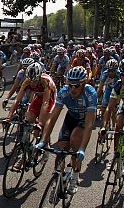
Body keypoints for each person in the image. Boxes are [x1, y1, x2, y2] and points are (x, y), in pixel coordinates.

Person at [35, 66, 97, 194]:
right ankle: (59, 180)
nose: (73, 89)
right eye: (70, 85)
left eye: (76, 86)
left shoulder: (90, 94)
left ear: (84, 84)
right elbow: (52, 119)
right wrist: (43, 140)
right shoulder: (64, 92)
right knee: (60, 151)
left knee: (75, 142)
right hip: (71, 118)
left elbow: (90, 124)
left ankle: (75, 176)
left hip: (83, 121)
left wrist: (82, 149)